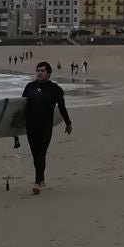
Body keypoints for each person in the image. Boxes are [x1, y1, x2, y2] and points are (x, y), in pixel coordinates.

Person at [22, 61, 72, 195]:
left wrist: (68, 123)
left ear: (48, 73)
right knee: (35, 154)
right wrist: (15, 130)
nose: (39, 73)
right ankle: (41, 179)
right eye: (38, 70)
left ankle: (37, 182)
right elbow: (21, 108)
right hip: (30, 126)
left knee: (41, 153)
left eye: (42, 71)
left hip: (45, 126)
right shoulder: (30, 87)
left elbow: (62, 107)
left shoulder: (55, 89)